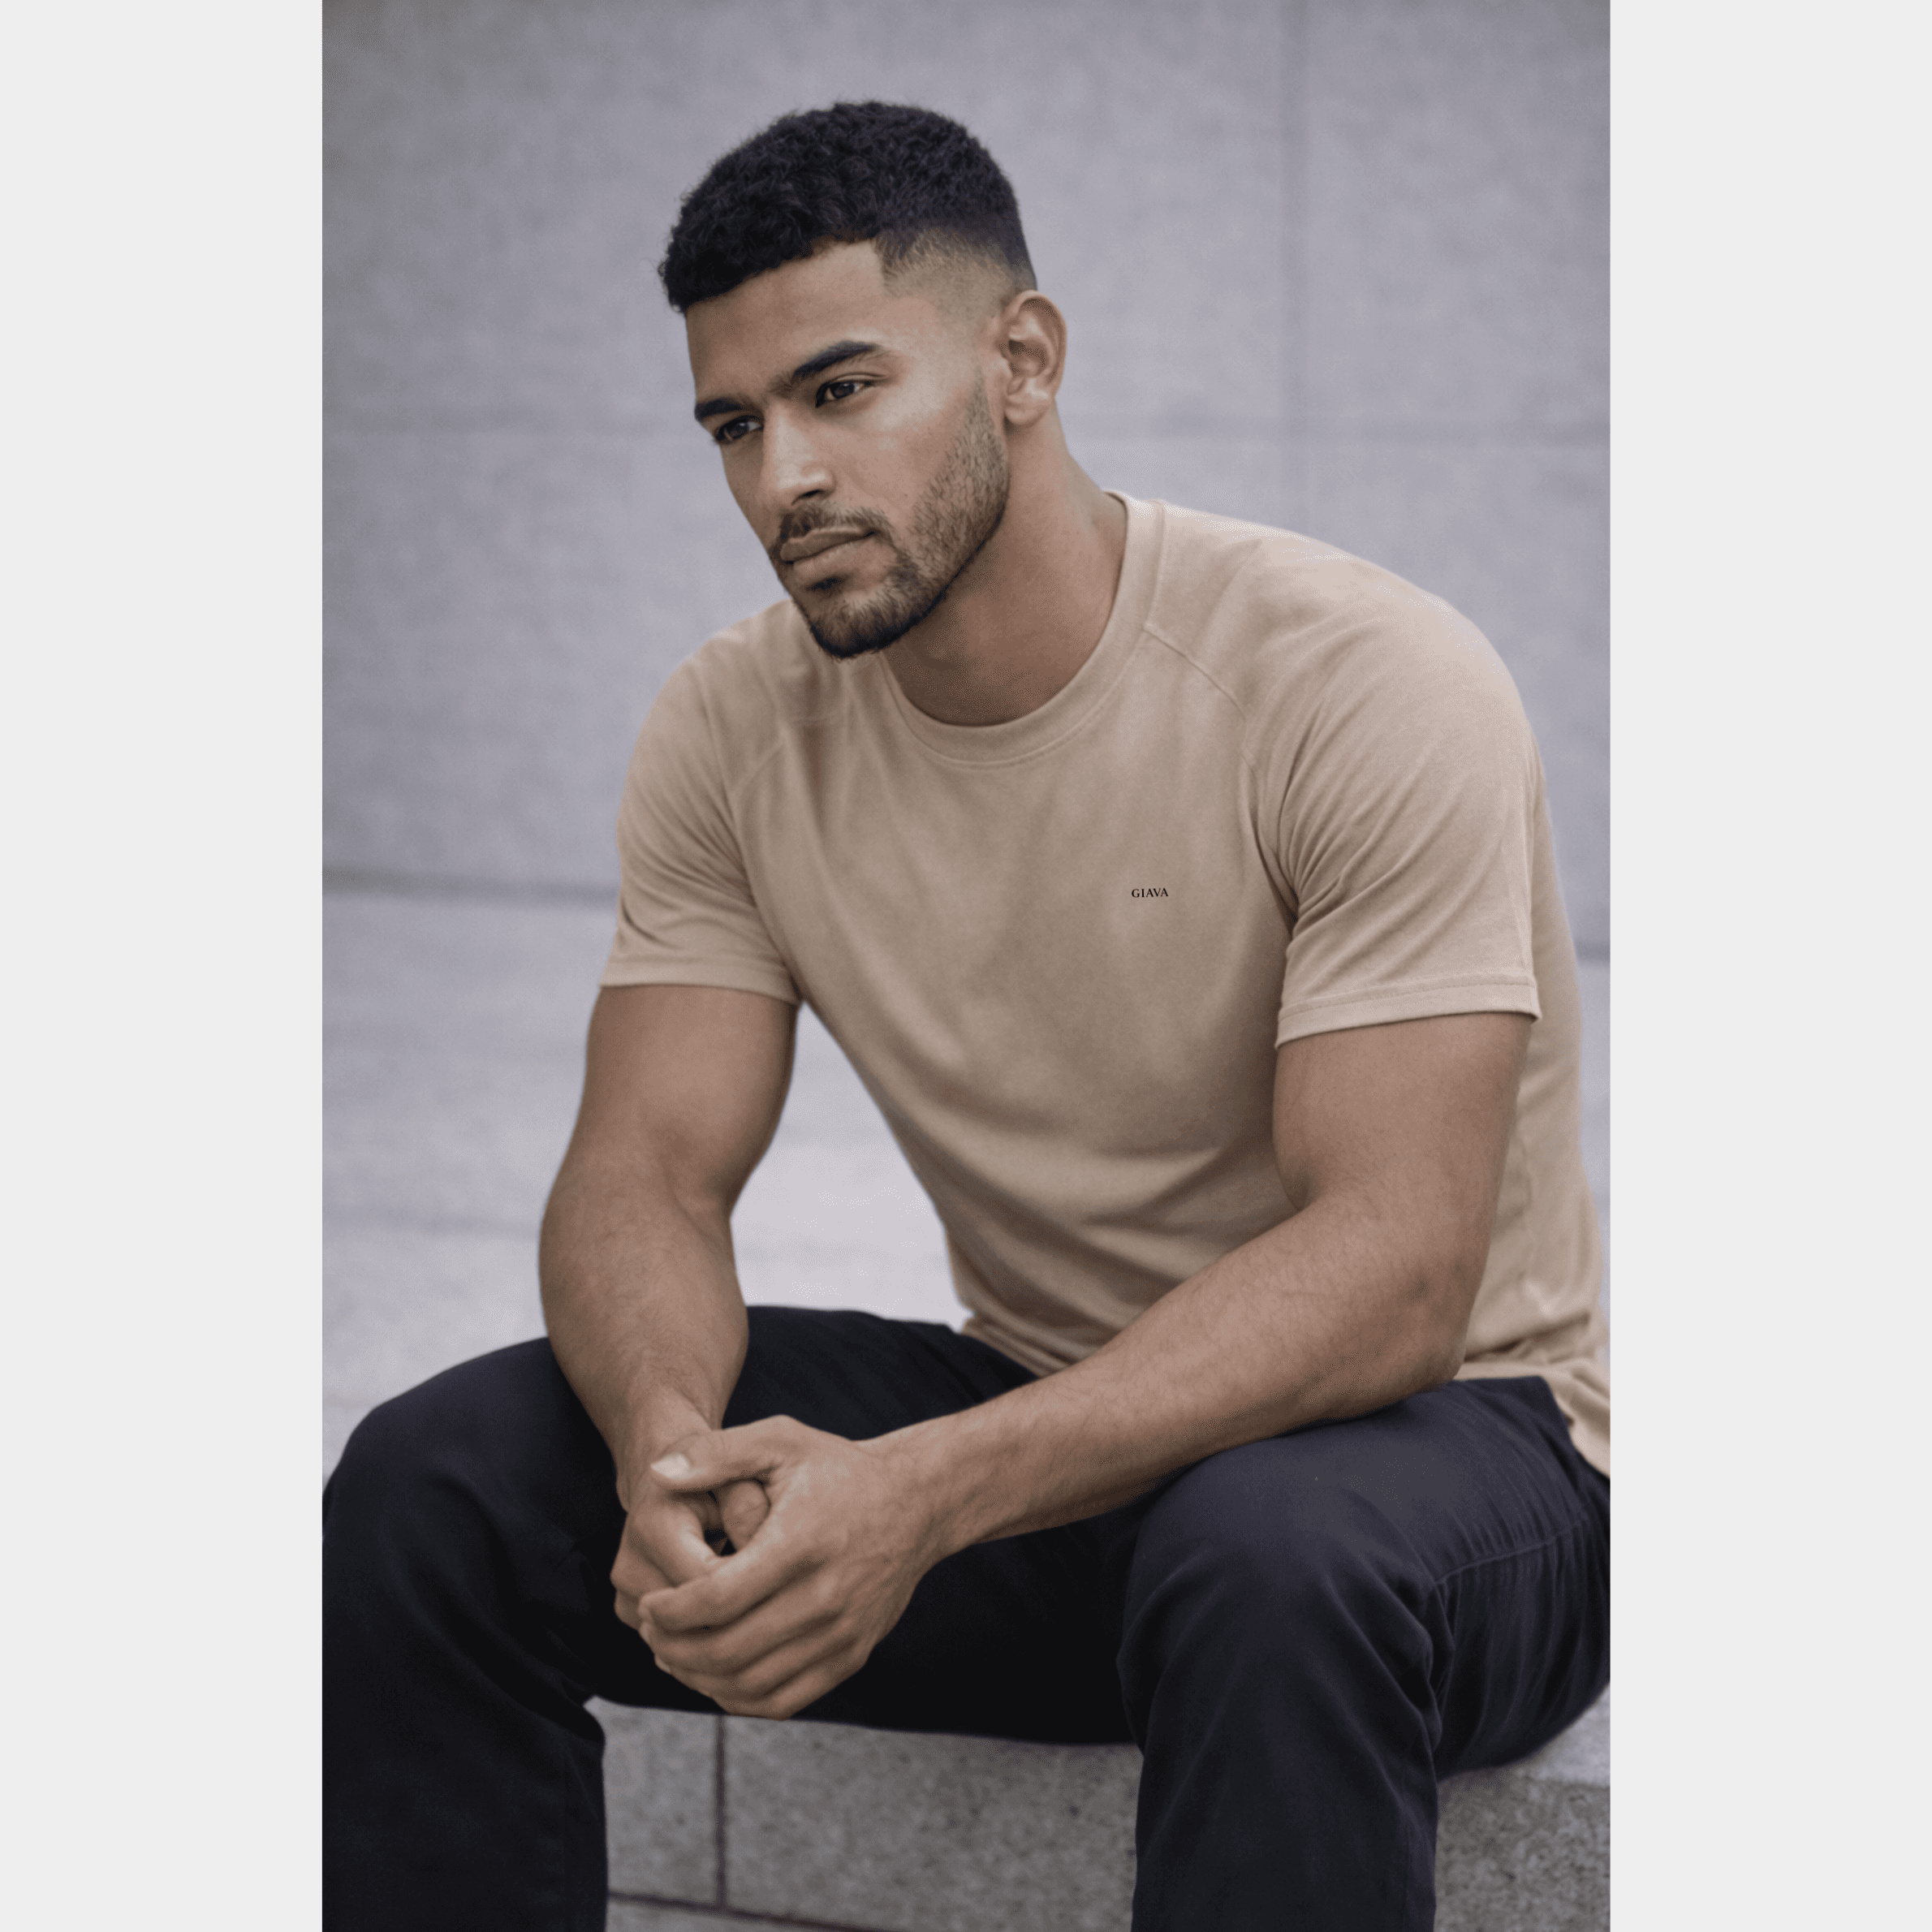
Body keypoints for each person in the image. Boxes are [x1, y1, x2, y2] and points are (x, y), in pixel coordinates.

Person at [323, 101, 1610, 1931]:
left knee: (1266, 1554)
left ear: (1023, 360)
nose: (784, 476)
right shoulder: (731, 727)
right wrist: (668, 1458)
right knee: (436, 1483)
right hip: (1055, 1443)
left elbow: (1397, 1268)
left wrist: (924, 1493)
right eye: (733, 425)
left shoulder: (1356, 681)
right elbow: (646, 1173)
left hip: (1448, 1460)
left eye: (841, 390)